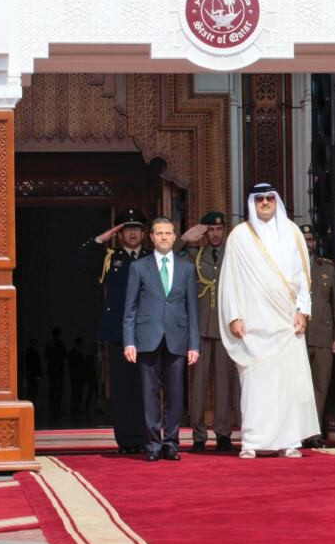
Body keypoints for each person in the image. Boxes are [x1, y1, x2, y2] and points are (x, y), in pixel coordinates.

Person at [219, 183, 319, 458]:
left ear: (276, 201)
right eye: (260, 198)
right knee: (255, 384)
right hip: (253, 324)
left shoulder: (292, 232)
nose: (265, 202)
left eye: (270, 198)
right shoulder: (239, 236)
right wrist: (234, 316)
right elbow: (230, 280)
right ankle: (252, 442)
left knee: (287, 383)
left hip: (286, 322)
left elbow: (303, 277)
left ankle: (289, 441)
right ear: (252, 202)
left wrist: (303, 311)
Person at [123, 216, 200, 462]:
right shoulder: (139, 267)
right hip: (147, 337)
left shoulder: (186, 268)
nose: (164, 237)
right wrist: (129, 341)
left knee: (175, 394)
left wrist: (194, 345)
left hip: (177, 337)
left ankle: (171, 443)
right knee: (149, 393)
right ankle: (153, 444)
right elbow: (130, 308)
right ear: (152, 237)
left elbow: (192, 310)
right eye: (159, 233)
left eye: (168, 233)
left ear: (175, 236)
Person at [74, 208, 149, 454]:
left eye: (137, 228)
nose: (133, 233)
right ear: (119, 233)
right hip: (117, 330)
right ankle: (127, 440)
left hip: (146, 330)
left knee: (145, 386)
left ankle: (145, 436)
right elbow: (81, 259)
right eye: (127, 229)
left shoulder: (150, 257)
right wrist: (102, 238)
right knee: (122, 386)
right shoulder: (110, 257)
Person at [177, 211, 239, 453]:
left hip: (225, 328)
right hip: (199, 328)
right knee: (198, 385)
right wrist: (184, 239)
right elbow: (168, 257)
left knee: (225, 384)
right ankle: (199, 436)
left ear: (224, 231)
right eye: (211, 230)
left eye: (219, 229)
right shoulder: (194, 254)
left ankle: (223, 434)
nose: (215, 234)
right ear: (205, 232)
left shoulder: (232, 255)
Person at [299, 224, 335, 448]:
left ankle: (313, 433)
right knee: (297, 386)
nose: (308, 243)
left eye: (310, 239)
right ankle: (296, 431)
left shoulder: (327, 267)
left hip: (323, 335)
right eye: (303, 239)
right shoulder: (289, 268)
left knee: (320, 385)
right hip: (296, 336)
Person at [44, 327, 66, 419]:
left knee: (53, 390)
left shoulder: (50, 343)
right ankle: (55, 408)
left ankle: (53, 408)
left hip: (54, 370)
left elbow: (46, 355)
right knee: (57, 390)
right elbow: (64, 354)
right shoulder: (59, 344)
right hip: (57, 370)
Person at [68, 337, 86, 419]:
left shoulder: (78, 353)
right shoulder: (74, 353)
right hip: (76, 377)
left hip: (80, 376)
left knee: (78, 393)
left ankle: (77, 408)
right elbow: (72, 366)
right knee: (75, 393)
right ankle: (74, 408)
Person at [24, 338, 42, 404]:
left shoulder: (31, 352)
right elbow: (34, 365)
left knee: (32, 393)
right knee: (32, 394)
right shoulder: (32, 352)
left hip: (31, 376)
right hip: (33, 377)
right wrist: (37, 375)